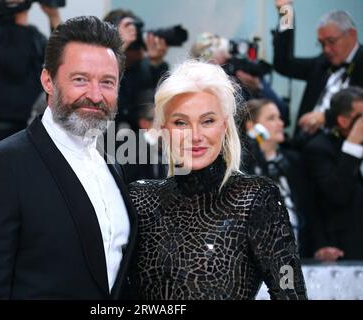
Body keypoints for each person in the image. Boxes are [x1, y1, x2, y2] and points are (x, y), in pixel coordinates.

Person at [0, 16, 137, 299]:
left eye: (107, 82)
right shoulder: (0, 166)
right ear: (47, 80)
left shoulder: (112, 166)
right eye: (80, 79)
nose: (95, 95)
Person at [128, 60, 306, 300]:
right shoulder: (140, 199)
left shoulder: (255, 198)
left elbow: (290, 291)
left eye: (207, 121)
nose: (196, 136)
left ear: (224, 125)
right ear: (163, 129)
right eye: (181, 122)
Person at [0, 2, 61, 150]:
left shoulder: (34, 36)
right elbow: (15, 64)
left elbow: (60, 59)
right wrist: (16, 11)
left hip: (28, 129)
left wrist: (54, 16)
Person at [273, 0, 363, 146]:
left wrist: (326, 117)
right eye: (322, 44)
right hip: (303, 146)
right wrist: (286, 12)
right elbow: (283, 64)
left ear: (352, 35)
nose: (326, 49)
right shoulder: (322, 63)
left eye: (331, 41)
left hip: (342, 153)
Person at [241, 99, 316, 257]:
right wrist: (253, 141)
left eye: (280, 118)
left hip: (299, 256)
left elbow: (311, 208)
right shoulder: (242, 166)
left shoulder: (294, 161)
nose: (280, 123)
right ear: (252, 126)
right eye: (271, 118)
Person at [304, 86, 363, 261]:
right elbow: (337, 194)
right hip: (345, 248)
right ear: (344, 121)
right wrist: (352, 144)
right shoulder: (319, 148)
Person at [191, 32, 290, 125]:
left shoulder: (244, 69)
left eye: (217, 42)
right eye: (213, 46)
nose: (220, 45)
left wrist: (258, 87)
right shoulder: (205, 85)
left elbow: (282, 114)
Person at [104, 9, 169, 131]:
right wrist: (117, 48)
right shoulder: (101, 67)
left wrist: (156, 63)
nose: (137, 48)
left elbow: (160, 102)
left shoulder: (144, 70)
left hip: (138, 143)